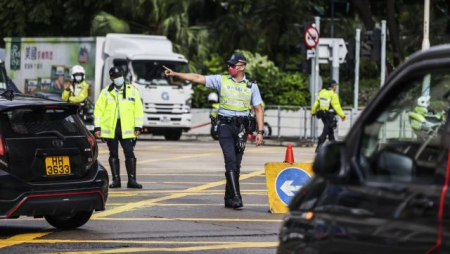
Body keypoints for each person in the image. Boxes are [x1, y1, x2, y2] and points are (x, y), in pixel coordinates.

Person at [163, 53, 264, 209]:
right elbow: (197, 77)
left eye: (232, 65)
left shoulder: (252, 85)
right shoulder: (221, 80)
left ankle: (228, 197)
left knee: (236, 164)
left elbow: (258, 108)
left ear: (242, 67)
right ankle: (237, 197)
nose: (229, 67)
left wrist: (260, 132)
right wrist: (176, 74)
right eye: (228, 65)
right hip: (224, 126)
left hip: (242, 129)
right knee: (230, 160)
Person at [93, 67, 144, 189]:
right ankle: (116, 180)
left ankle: (132, 180)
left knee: (129, 153)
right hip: (111, 128)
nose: (118, 78)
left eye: (120, 75)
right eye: (116, 76)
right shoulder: (105, 92)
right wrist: (97, 128)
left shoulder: (132, 91)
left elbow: (138, 110)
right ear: (111, 78)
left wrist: (138, 126)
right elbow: (98, 110)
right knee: (113, 154)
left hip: (127, 127)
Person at [311, 79, 345, 152]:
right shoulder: (333, 94)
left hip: (322, 114)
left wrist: (313, 112)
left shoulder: (322, 92)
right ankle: (319, 145)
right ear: (333, 86)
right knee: (326, 131)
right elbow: (336, 106)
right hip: (329, 115)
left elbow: (316, 103)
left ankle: (335, 147)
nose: (336, 87)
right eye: (335, 85)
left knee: (330, 131)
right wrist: (342, 115)